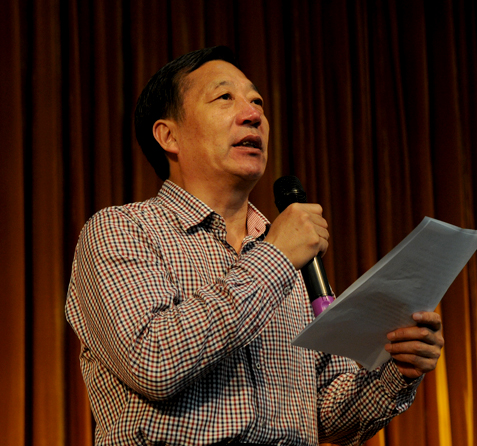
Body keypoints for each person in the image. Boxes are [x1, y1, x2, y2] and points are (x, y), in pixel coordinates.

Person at [65, 46, 444, 446]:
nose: (253, 115)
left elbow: (327, 415)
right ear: (169, 135)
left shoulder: (289, 251)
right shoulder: (122, 229)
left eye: (257, 101)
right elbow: (153, 361)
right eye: (224, 97)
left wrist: (398, 370)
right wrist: (276, 257)